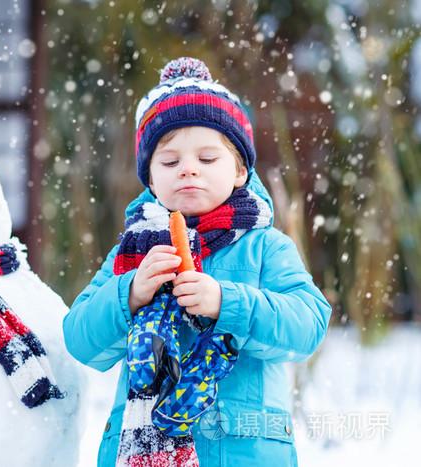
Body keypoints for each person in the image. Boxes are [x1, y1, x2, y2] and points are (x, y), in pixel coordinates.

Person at [63, 57, 332, 467]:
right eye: (170, 162)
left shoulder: (264, 246)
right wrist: (130, 293)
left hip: (245, 450)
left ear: (240, 171)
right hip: (139, 448)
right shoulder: (132, 253)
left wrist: (228, 302)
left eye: (208, 159)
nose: (188, 170)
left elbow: (308, 324)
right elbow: (80, 339)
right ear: (151, 179)